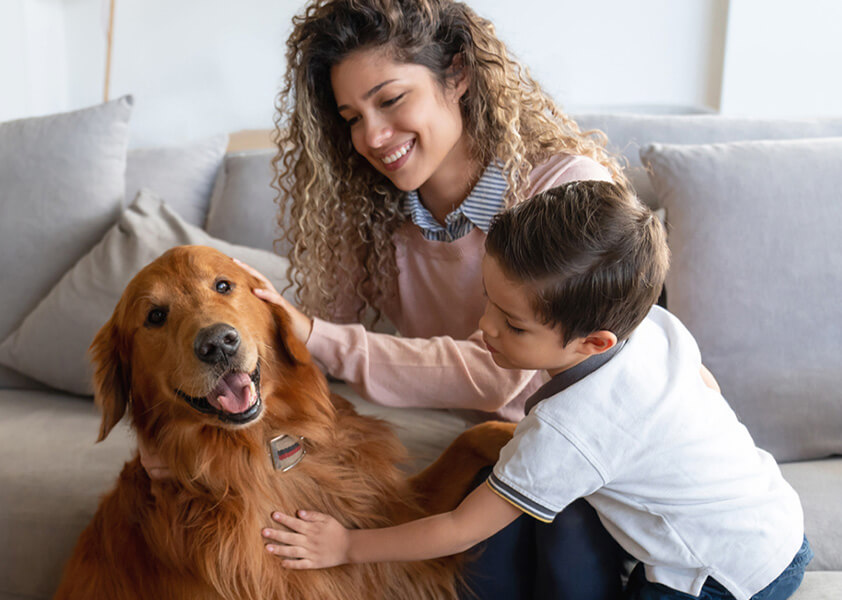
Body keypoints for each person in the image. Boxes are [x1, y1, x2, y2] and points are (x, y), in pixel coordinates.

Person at [143, 0, 714, 596]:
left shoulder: (562, 192)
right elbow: (300, 365)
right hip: (501, 456)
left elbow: (498, 379)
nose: (371, 136)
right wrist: (183, 451)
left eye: (390, 100)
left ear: (459, 74)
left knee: (557, 527)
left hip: (589, 458)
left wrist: (314, 335)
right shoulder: (368, 217)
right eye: (351, 116)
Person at [261, 180, 812, 600]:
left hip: (723, 574)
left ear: (593, 342)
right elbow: (704, 385)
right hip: (778, 519)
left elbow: (458, 527)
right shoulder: (656, 328)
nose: (484, 329)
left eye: (514, 326)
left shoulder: (567, 431)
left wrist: (347, 546)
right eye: (488, 302)